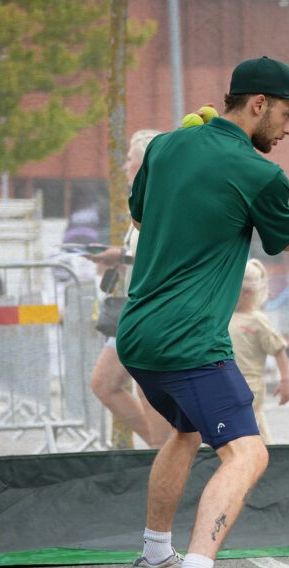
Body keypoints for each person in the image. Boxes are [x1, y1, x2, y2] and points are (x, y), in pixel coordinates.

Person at [116, 56, 289, 568]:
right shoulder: (261, 173)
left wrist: (190, 156)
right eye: (286, 113)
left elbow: (139, 215)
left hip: (138, 333)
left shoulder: (165, 146)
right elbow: (285, 240)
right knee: (248, 453)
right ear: (258, 104)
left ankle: (156, 559)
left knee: (185, 432)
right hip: (190, 341)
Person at [87, 129, 170, 449]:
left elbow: (163, 255)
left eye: (129, 160)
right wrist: (118, 258)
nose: (123, 167)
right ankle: (166, 455)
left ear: (148, 164)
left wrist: (120, 257)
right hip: (133, 309)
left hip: (153, 309)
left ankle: (167, 459)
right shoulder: (142, 203)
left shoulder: (164, 203)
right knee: (104, 383)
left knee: (147, 390)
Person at [228, 259, 289, 445]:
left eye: (231, 288)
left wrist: (285, 381)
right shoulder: (225, 317)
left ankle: (244, 457)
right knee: (256, 427)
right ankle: (268, 453)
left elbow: (278, 348)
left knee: (243, 430)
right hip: (228, 383)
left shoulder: (257, 320)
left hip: (250, 386)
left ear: (246, 293)